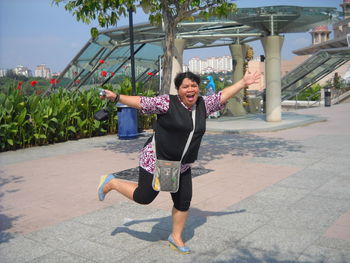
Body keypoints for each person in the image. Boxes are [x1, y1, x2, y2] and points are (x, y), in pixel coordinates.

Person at [97, 70, 260, 254]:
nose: (190, 90)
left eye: (194, 86)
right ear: (178, 89)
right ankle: (112, 182)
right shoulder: (167, 103)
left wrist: (243, 82)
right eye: (185, 86)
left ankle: (175, 237)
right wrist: (116, 96)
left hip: (181, 164)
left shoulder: (203, 105)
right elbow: (142, 101)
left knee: (183, 200)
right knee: (145, 197)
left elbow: (223, 95)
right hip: (156, 159)